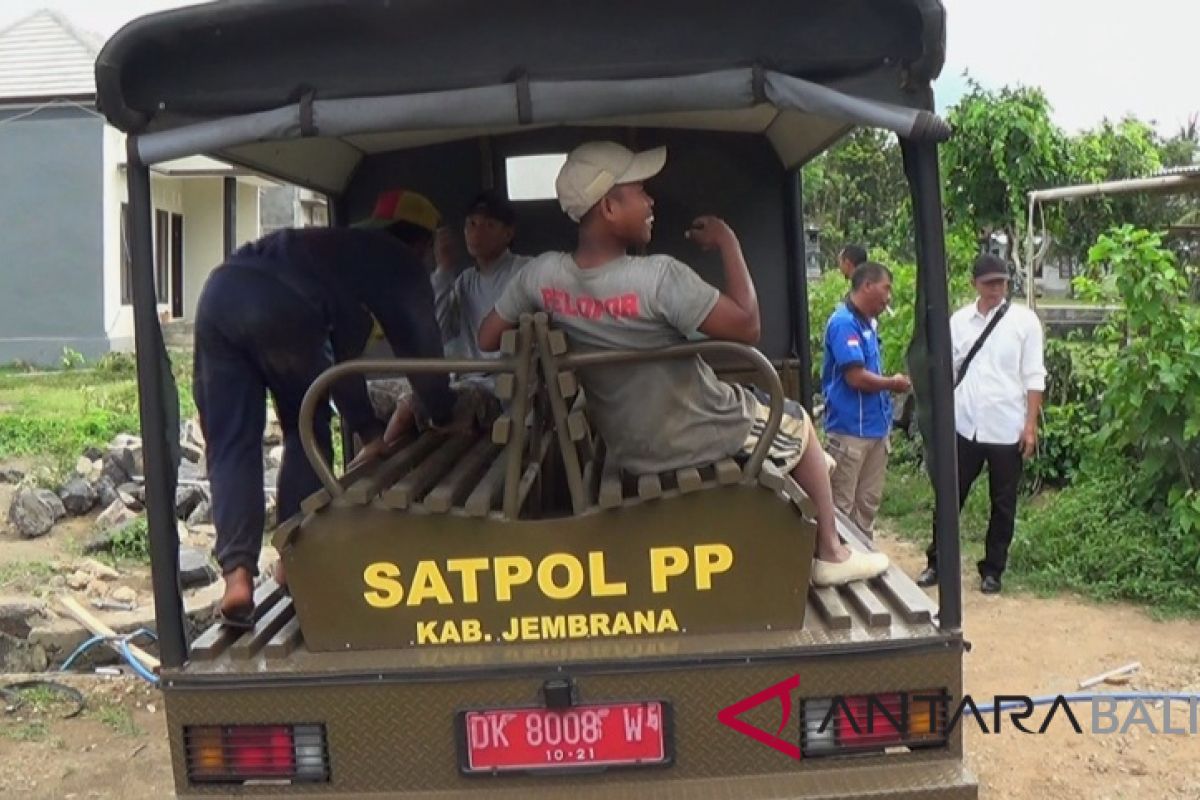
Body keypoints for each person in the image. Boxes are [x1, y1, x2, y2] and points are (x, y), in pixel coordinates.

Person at [477, 141, 888, 587]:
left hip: (630, 442)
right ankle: (830, 551)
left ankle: (815, 477)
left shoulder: (542, 276)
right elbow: (749, 327)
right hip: (696, 430)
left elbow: (487, 336)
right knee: (798, 421)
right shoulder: (659, 278)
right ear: (610, 207)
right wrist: (728, 242)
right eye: (639, 191)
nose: (651, 201)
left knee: (766, 412)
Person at [193, 188, 456, 627]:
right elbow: (420, 349)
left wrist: (370, 431)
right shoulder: (399, 262)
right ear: (423, 244)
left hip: (220, 294)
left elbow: (340, 361)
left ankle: (237, 577)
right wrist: (443, 412)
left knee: (232, 444)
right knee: (307, 429)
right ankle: (292, 559)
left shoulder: (330, 248)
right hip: (281, 306)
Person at [917, 254, 1045, 594]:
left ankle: (993, 570)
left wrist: (1030, 426)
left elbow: (1034, 376)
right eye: (989, 283)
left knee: (1003, 503)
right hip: (965, 425)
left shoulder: (1024, 322)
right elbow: (947, 372)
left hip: (1006, 426)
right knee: (949, 496)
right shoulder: (959, 322)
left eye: (1001, 282)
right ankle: (937, 563)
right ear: (974, 283)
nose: (995, 289)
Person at [821, 262, 910, 538]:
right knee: (840, 506)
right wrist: (892, 384)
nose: (889, 297)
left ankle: (865, 561)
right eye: (886, 288)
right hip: (849, 433)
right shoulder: (843, 323)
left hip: (875, 430)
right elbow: (856, 377)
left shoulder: (869, 323)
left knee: (867, 504)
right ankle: (838, 562)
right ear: (867, 286)